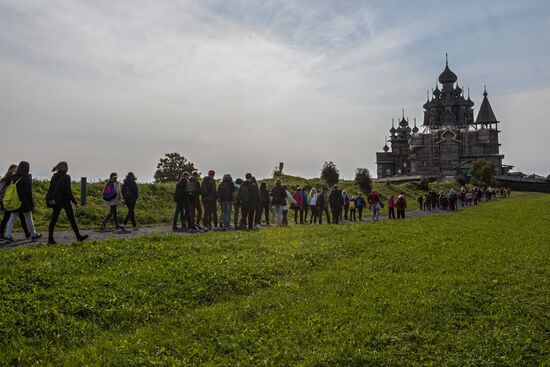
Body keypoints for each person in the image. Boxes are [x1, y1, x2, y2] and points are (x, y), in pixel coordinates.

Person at [46, 162, 88, 244]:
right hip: (65, 201)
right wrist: (75, 202)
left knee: (53, 220)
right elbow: (68, 191)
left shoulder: (54, 176)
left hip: (56, 201)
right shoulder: (66, 177)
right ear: (65, 168)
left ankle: (50, 239)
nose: (68, 168)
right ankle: (78, 236)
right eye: (67, 166)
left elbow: (51, 189)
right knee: (72, 219)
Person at [3, 161, 42, 242]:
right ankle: (33, 234)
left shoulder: (14, 177)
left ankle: (8, 235)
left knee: (12, 218)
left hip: (15, 201)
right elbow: (28, 191)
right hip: (24, 201)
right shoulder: (26, 177)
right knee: (28, 218)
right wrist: (31, 203)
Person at [1, 164, 30, 241]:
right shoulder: (9, 179)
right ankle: (27, 233)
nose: (16, 170)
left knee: (9, 217)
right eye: (14, 169)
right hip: (10, 200)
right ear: (10, 169)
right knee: (14, 217)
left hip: (7, 200)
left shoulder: (7, 178)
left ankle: (2, 234)